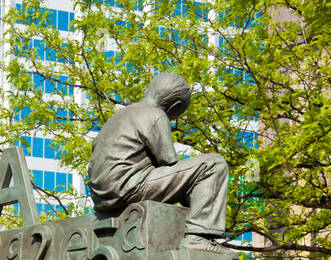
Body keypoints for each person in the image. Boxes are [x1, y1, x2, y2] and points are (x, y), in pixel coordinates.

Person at [86, 72, 229, 241]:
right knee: (214, 164)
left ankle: (198, 230)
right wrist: (196, 204)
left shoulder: (117, 117)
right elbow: (169, 164)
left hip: (103, 197)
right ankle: (198, 237)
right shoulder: (156, 114)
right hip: (130, 188)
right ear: (174, 106)